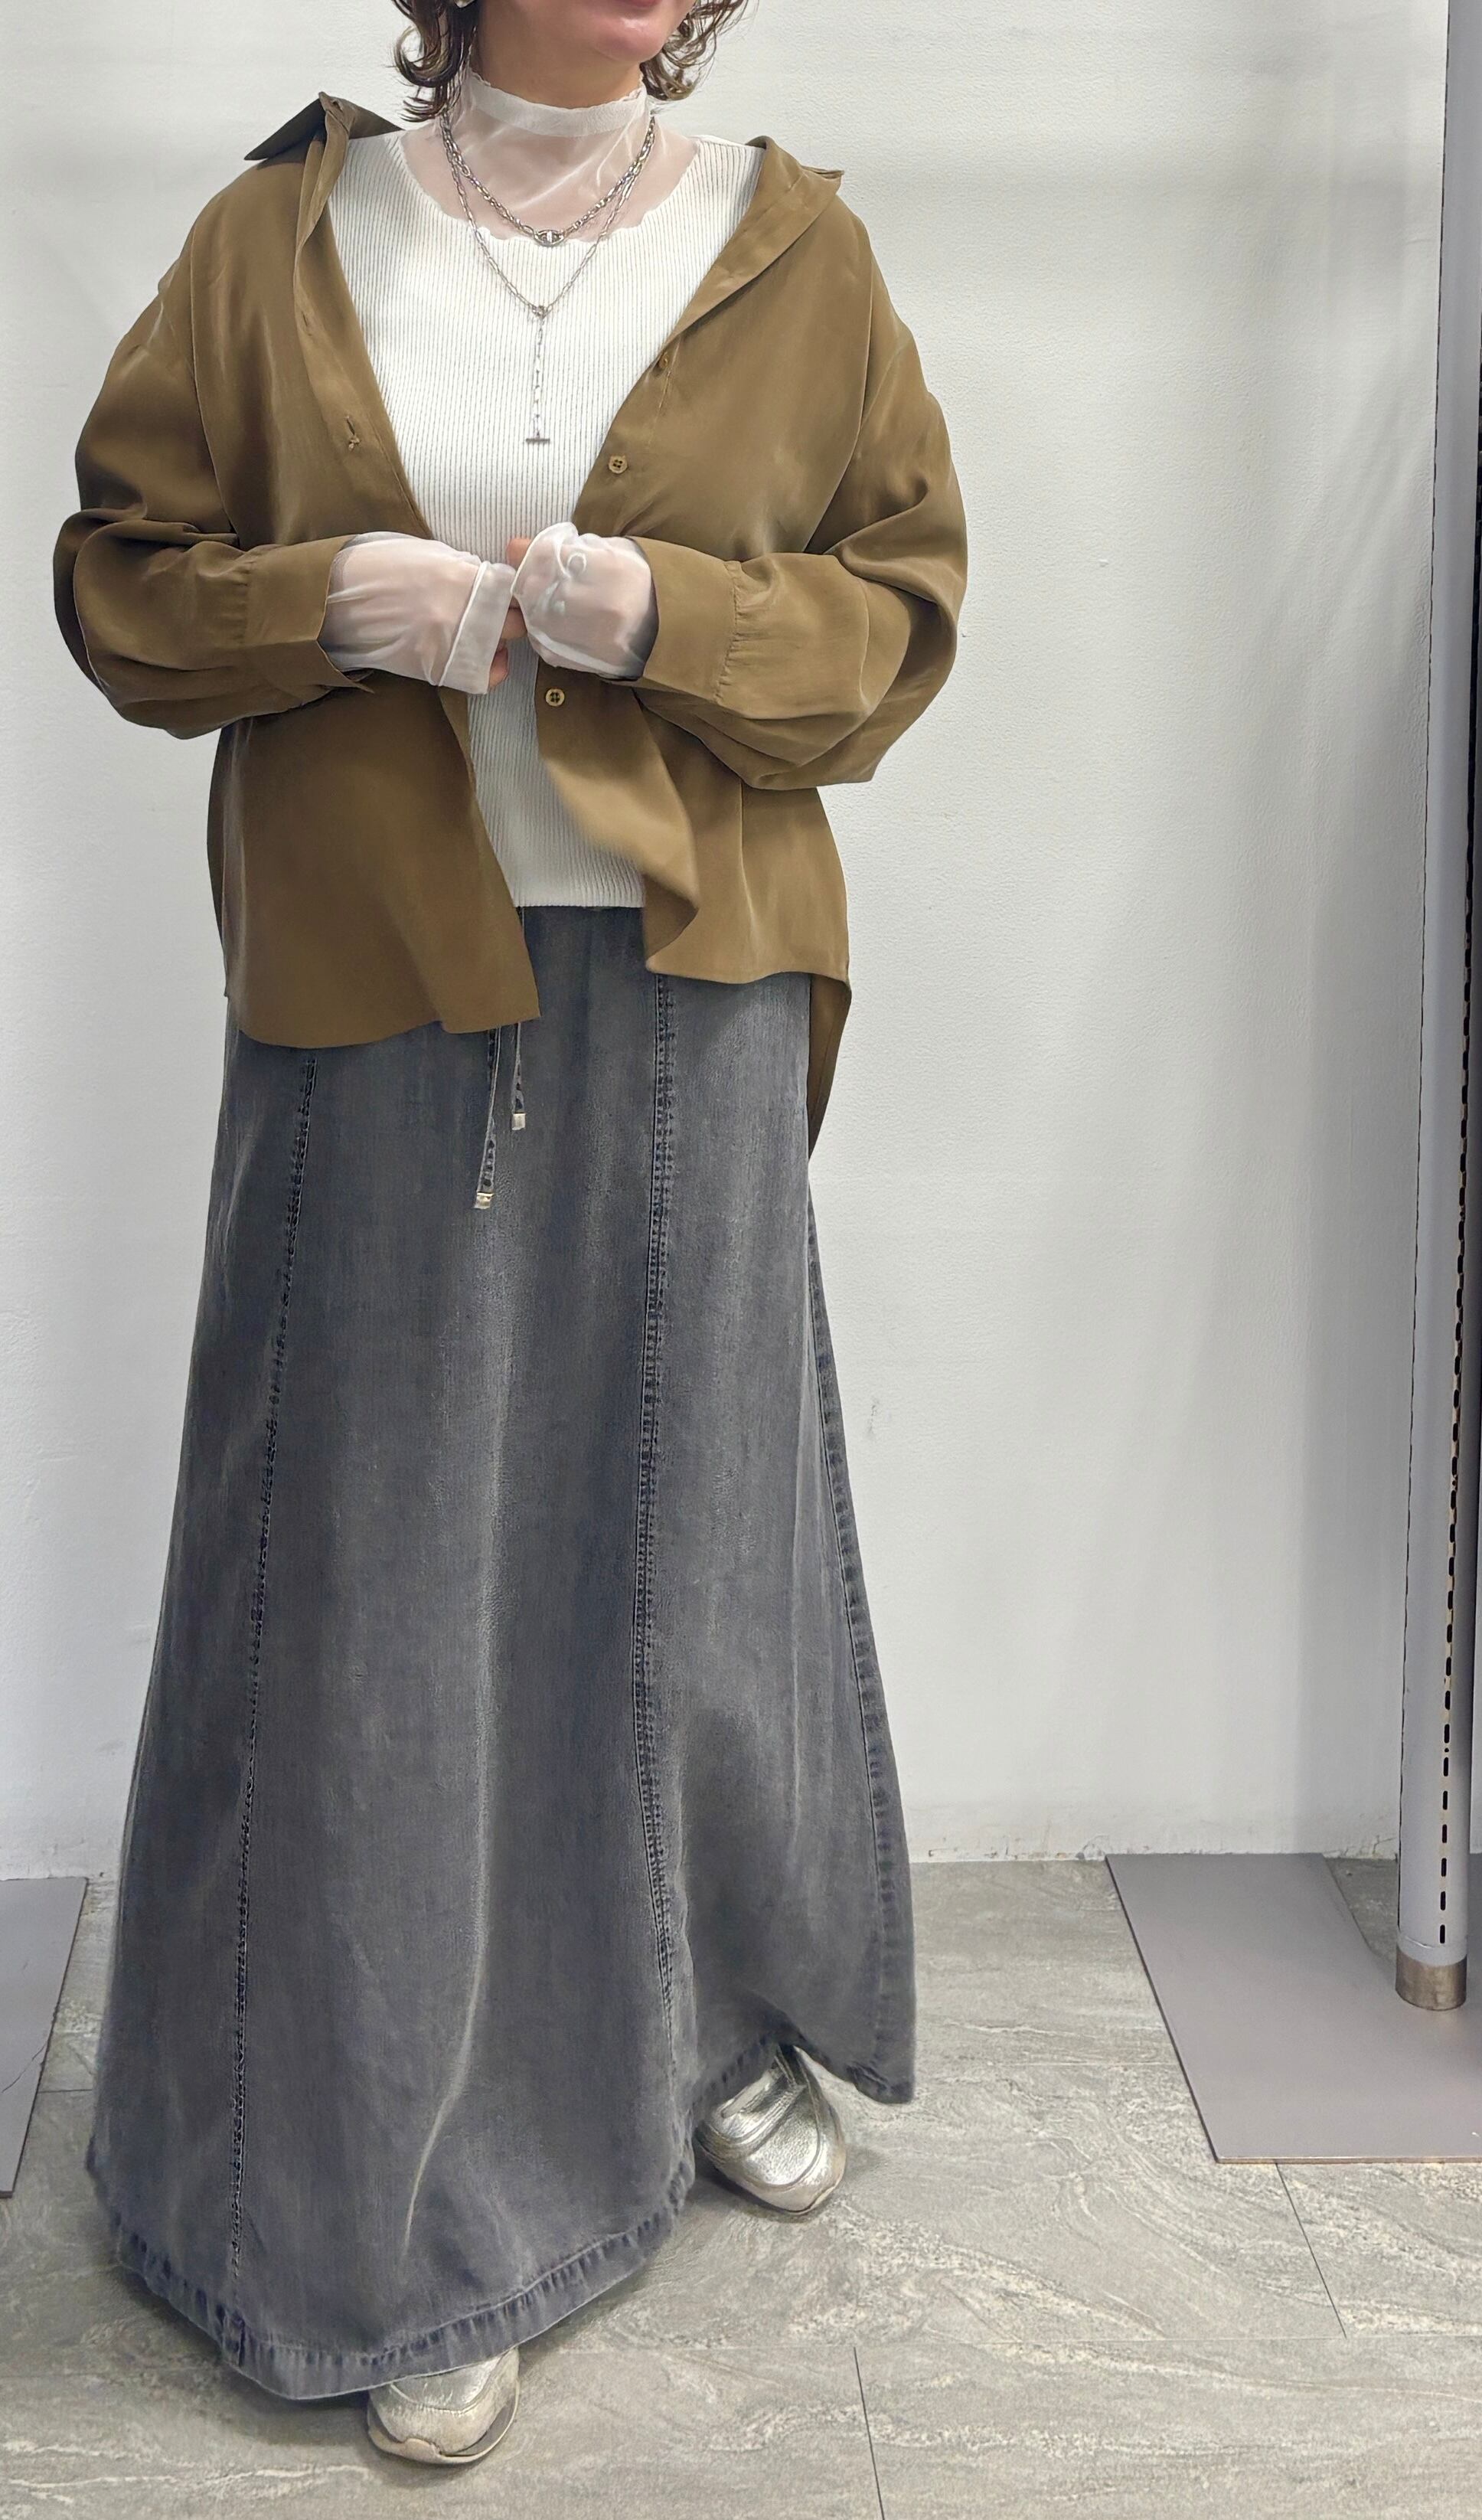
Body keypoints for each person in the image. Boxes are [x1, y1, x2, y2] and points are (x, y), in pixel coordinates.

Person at [52, 0, 968, 2469]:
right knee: (370, 1585)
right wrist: (332, 604)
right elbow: (122, 585)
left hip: (697, 978)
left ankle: (705, 2017)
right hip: (379, 982)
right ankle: (383, 2187)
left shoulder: (792, 248)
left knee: (691, 1531)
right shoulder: (283, 236)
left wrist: (675, 623)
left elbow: (897, 619)